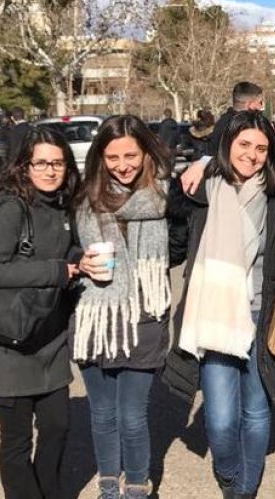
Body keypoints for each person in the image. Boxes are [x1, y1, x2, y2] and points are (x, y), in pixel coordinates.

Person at [171, 111, 275, 499]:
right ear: (226, 144)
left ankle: (242, 489)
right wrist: (204, 160)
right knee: (222, 419)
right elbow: (168, 217)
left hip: (262, 313)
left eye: (261, 148)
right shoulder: (203, 190)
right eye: (244, 145)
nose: (253, 155)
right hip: (215, 312)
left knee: (257, 411)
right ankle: (228, 472)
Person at [0, 126, 81, 499]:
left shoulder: (64, 205)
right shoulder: (11, 208)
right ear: (24, 166)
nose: (51, 171)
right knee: (17, 440)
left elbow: (68, 251)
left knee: (58, 427)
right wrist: (55, 271)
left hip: (51, 340)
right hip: (10, 344)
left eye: (58, 163)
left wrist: (80, 260)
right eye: (41, 163)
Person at [72, 115, 173, 499]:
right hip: (95, 317)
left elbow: (179, 244)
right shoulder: (83, 199)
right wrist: (78, 262)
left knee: (132, 415)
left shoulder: (165, 196)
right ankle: (108, 483)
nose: (123, 164)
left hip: (146, 315)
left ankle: (136, 484)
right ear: (100, 158)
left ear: (146, 153)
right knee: (102, 414)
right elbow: (62, 248)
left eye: (131, 154)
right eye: (113, 157)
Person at [182, 82, 266, 194]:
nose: (261, 107)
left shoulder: (222, 122)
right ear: (249, 104)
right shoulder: (241, 126)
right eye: (259, 103)